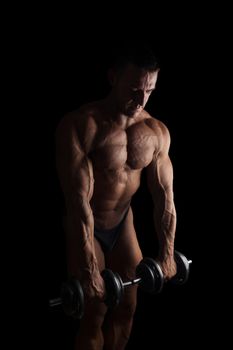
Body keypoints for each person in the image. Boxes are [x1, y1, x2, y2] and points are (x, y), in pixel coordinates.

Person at [55, 41, 177, 350]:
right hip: (88, 225)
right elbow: (78, 202)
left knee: (128, 306)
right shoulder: (81, 126)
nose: (141, 99)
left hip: (122, 222)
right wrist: (88, 269)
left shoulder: (155, 131)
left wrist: (167, 253)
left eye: (149, 91)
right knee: (95, 310)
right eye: (135, 89)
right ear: (113, 78)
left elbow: (165, 197)